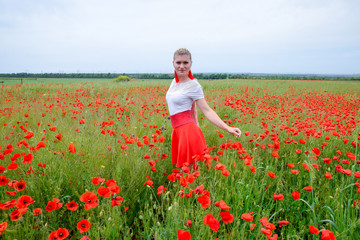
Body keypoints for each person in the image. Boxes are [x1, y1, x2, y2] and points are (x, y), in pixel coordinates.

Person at [166, 48, 241, 169]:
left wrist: (227, 128)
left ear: (191, 63)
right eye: (178, 62)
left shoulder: (193, 85)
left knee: (186, 173)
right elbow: (192, 108)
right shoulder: (174, 82)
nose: (181, 66)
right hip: (178, 131)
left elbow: (207, 110)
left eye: (185, 62)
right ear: (173, 63)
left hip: (187, 132)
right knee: (184, 173)